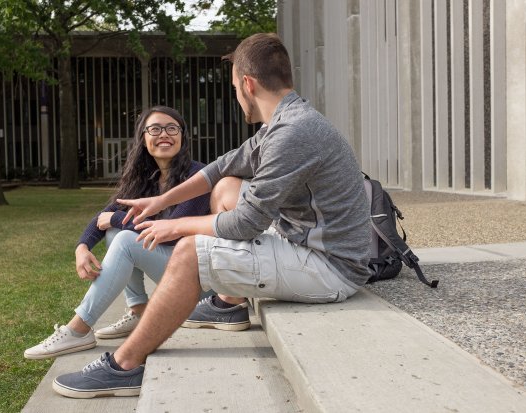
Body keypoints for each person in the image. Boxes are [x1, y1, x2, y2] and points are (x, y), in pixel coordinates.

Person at [51, 33, 372, 398]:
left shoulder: (293, 133)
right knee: (227, 185)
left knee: (189, 252)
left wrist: (173, 224)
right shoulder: (285, 123)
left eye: (235, 87)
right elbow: (223, 167)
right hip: (305, 244)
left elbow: (245, 224)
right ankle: (228, 301)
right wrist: (160, 202)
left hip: (330, 268)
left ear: (247, 84)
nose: (236, 96)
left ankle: (125, 366)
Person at [24, 105, 211, 359]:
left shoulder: (198, 176)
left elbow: (173, 232)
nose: (164, 134)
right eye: (155, 129)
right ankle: (139, 311)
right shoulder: (147, 179)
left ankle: (78, 330)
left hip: (199, 284)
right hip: (176, 267)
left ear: (183, 136)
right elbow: (103, 217)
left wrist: (117, 218)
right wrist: (82, 247)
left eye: (171, 128)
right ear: (144, 139)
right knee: (115, 234)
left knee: (123, 237)